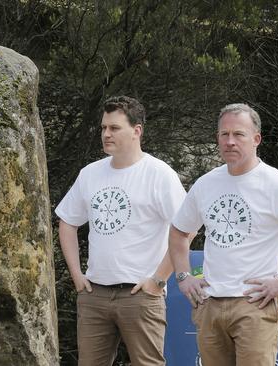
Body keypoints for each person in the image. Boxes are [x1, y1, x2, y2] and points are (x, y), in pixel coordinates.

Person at [169, 103, 278, 366]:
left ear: (256, 139)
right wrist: (182, 276)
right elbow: (179, 231)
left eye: (239, 134)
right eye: (224, 135)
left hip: (255, 306)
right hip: (210, 304)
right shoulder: (205, 184)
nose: (230, 141)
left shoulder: (277, 185)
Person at [55, 96, 186, 365]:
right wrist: (77, 275)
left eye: (114, 128)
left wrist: (158, 279)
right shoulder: (90, 173)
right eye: (103, 128)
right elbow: (67, 221)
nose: (106, 134)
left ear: (137, 131)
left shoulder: (159, 174)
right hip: (94, 294)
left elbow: (186, 229)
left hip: (140, 294)